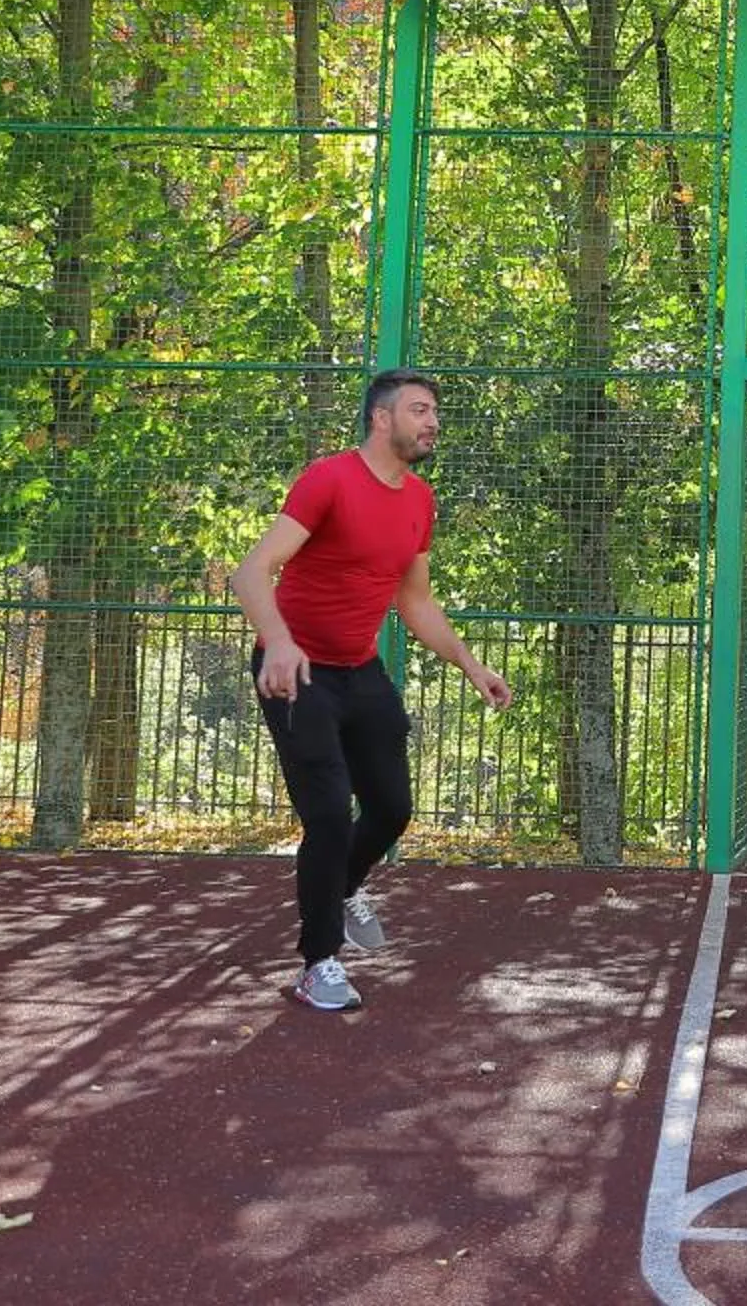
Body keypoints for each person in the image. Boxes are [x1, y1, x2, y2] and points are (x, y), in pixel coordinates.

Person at [235, 368, 513, 1011]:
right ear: (381, 419)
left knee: (391, 809)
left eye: (435, 412)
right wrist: (278, 640)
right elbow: (252, 571)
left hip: (360, 673)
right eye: (419, 410)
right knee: (329, 815)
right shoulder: (329, 479)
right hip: (297, 672)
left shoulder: (419, 500)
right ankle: (318, 963)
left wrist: (473, 668)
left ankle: (343, 885)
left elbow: (415, 602)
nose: (433, 422)